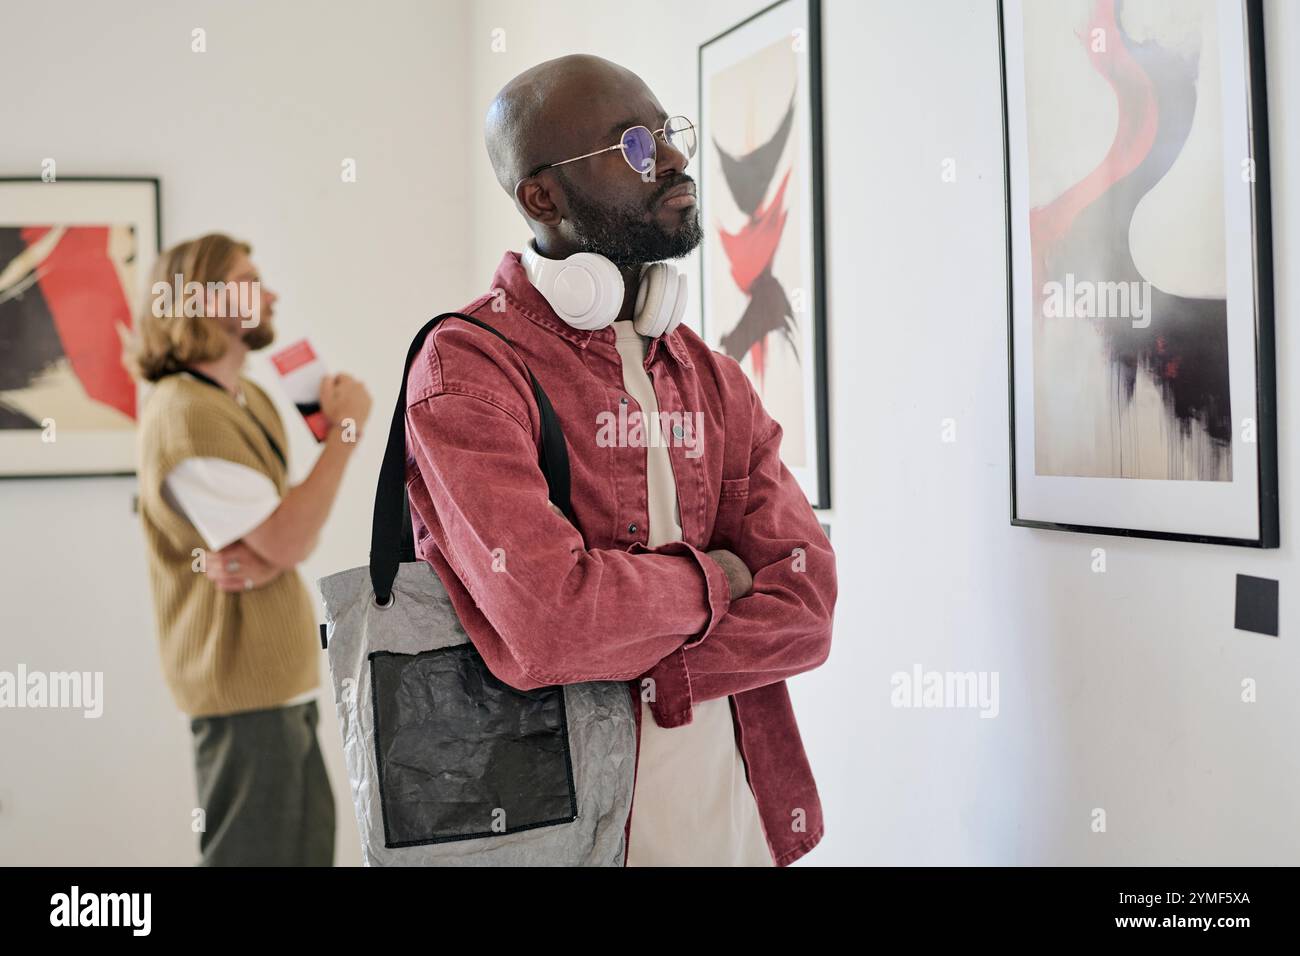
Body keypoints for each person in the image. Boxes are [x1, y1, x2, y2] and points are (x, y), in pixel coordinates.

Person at [404, 54, 837, 867]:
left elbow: (807, 604)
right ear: (542, 197)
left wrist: (651, 669)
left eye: (667, 133)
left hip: (736, 829)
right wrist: (720, 577)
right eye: (633, 144)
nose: (672, 158)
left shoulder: (709, 374)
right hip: (557, 840)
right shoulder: (467, 371)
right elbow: (551, 622)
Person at [126, 233, 372, 866]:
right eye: (249, 279)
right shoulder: (188, 416)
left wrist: (273, 546)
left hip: (279, 680)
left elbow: (292, 530)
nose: (271, 294)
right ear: (203, 301)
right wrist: (344, 433)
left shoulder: (249, 398)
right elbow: (290, 535)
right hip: (241, 688)